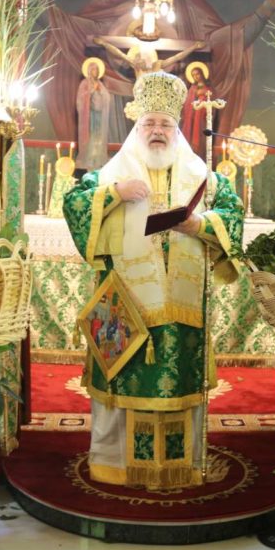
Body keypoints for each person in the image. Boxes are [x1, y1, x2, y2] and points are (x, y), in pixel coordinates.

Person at [62, 71, 244, 490]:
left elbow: (232, 216)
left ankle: (182, 464)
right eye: (150, 124)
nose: (157, 131)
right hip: (127, 306)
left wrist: (200, 225)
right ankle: (114, 464)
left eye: (165, 124)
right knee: (121, 377)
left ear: (177, 130)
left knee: (177, 381)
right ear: (137, 127)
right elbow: (74, 204)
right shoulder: (110, 174)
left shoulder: (204, 176)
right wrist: (115, 193)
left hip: (181, 309)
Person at [47, 0, 275, 142]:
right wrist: (35, 5)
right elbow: (74, 32)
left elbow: (224, 43)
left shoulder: (192, 7)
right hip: (119, 104)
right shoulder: (108, 2)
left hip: (171, 109)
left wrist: (266, 10)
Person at [76, 57, 113, 171]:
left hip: (99, 114)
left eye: (97, 70)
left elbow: (107, 97)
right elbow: (80, 99)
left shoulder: (100, 84)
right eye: (93, 69)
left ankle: (98, 158)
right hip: (89, 115)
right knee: (91, 135)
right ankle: (89, 158)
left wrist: (100, 91)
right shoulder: (84, 83)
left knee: (99, 135)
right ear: (89, 71)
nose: (95, 72)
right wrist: (92, 91)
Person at [180, 62, 214, 156]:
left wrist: (203, 99)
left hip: (203, 118)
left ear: (202, 73)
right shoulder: (192, 88)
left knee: (201, 136)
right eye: (193, 75)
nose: (196, 77)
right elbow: (188, 103)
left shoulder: (209, 88)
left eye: (197, 74)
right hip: (192, 118)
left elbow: (212, 102)